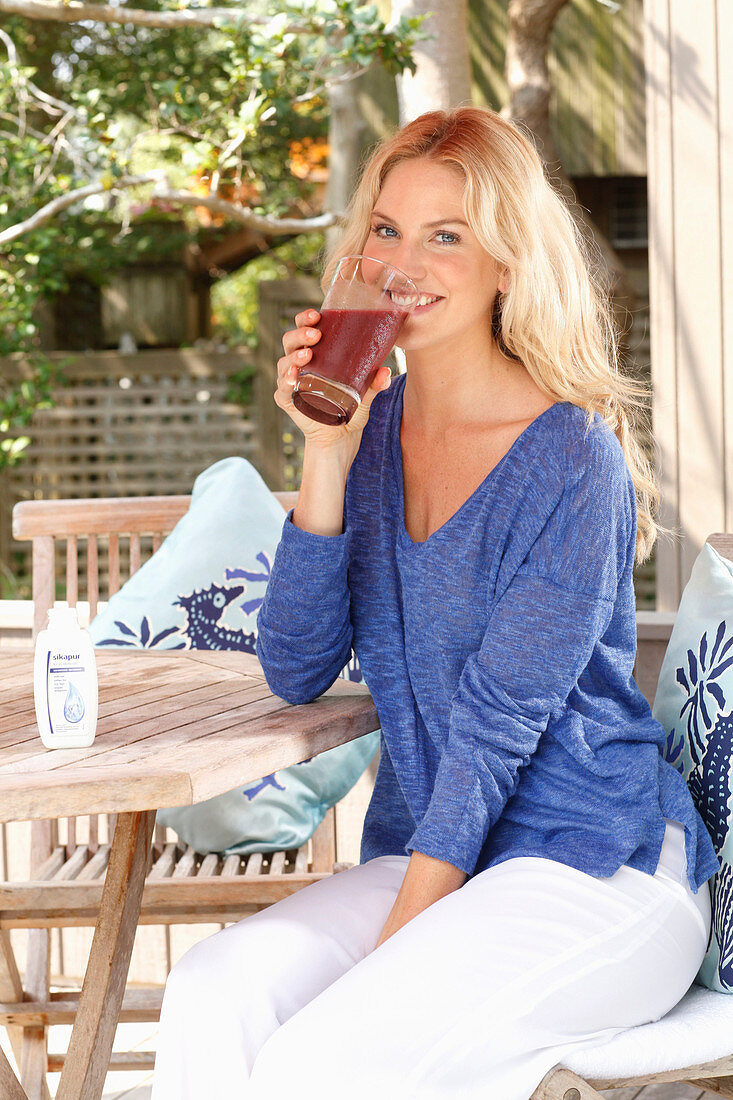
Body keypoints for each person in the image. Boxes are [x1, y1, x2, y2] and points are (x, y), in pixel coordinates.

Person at [152, 106, 718, 1100]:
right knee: (211, 991)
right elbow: (294, 666)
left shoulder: (571, 458)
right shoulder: (369, 435)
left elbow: (500, 725)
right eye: (386, 230)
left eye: (445, 235)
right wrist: (323, 456)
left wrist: (401, 936)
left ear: (507, 260)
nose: (405, 262)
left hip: (598, 868)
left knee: (321, 1061)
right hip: (441, 852)